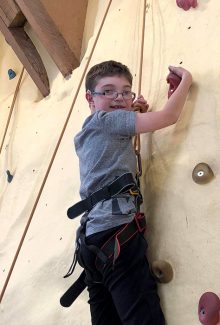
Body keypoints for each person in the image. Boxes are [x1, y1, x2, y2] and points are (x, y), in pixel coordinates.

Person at [70, 60, 192, 324]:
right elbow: (169, 116)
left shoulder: (89, 130)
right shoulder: (108, 123)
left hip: (92, 242)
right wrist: (186, 81)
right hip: (117, 236)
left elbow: (116, 137)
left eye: (126, 91)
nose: (119, 97)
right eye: (109, 91)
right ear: (90, 97)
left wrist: (131, 112)